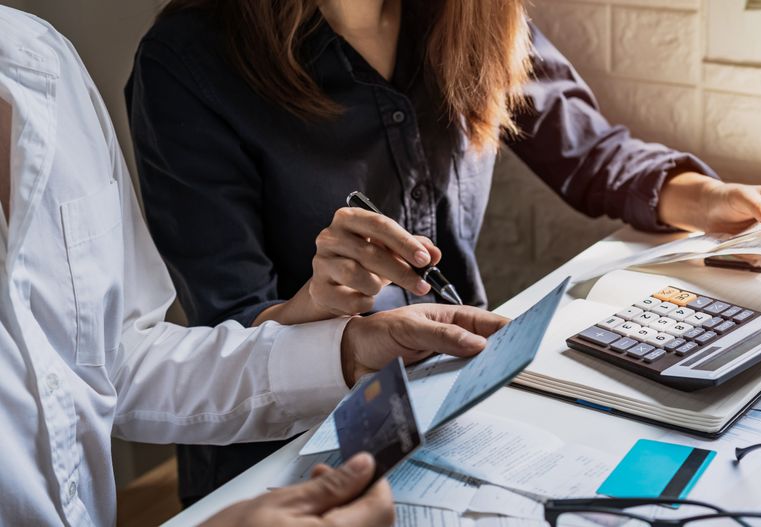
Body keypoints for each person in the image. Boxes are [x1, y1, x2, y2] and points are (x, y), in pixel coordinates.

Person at [127, 0, 761, 505]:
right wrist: (318, 306)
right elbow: (229, 334)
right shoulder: (188, 61)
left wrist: (700, 195)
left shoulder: (472, 13)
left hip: (458, 401)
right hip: (289, 463)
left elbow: (588, 149)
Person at [0, 6, 508, 525]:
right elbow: (226, 309)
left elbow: (114, 358)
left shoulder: (42, 61)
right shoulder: (187, 57)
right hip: (276, 465)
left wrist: (348, 351)